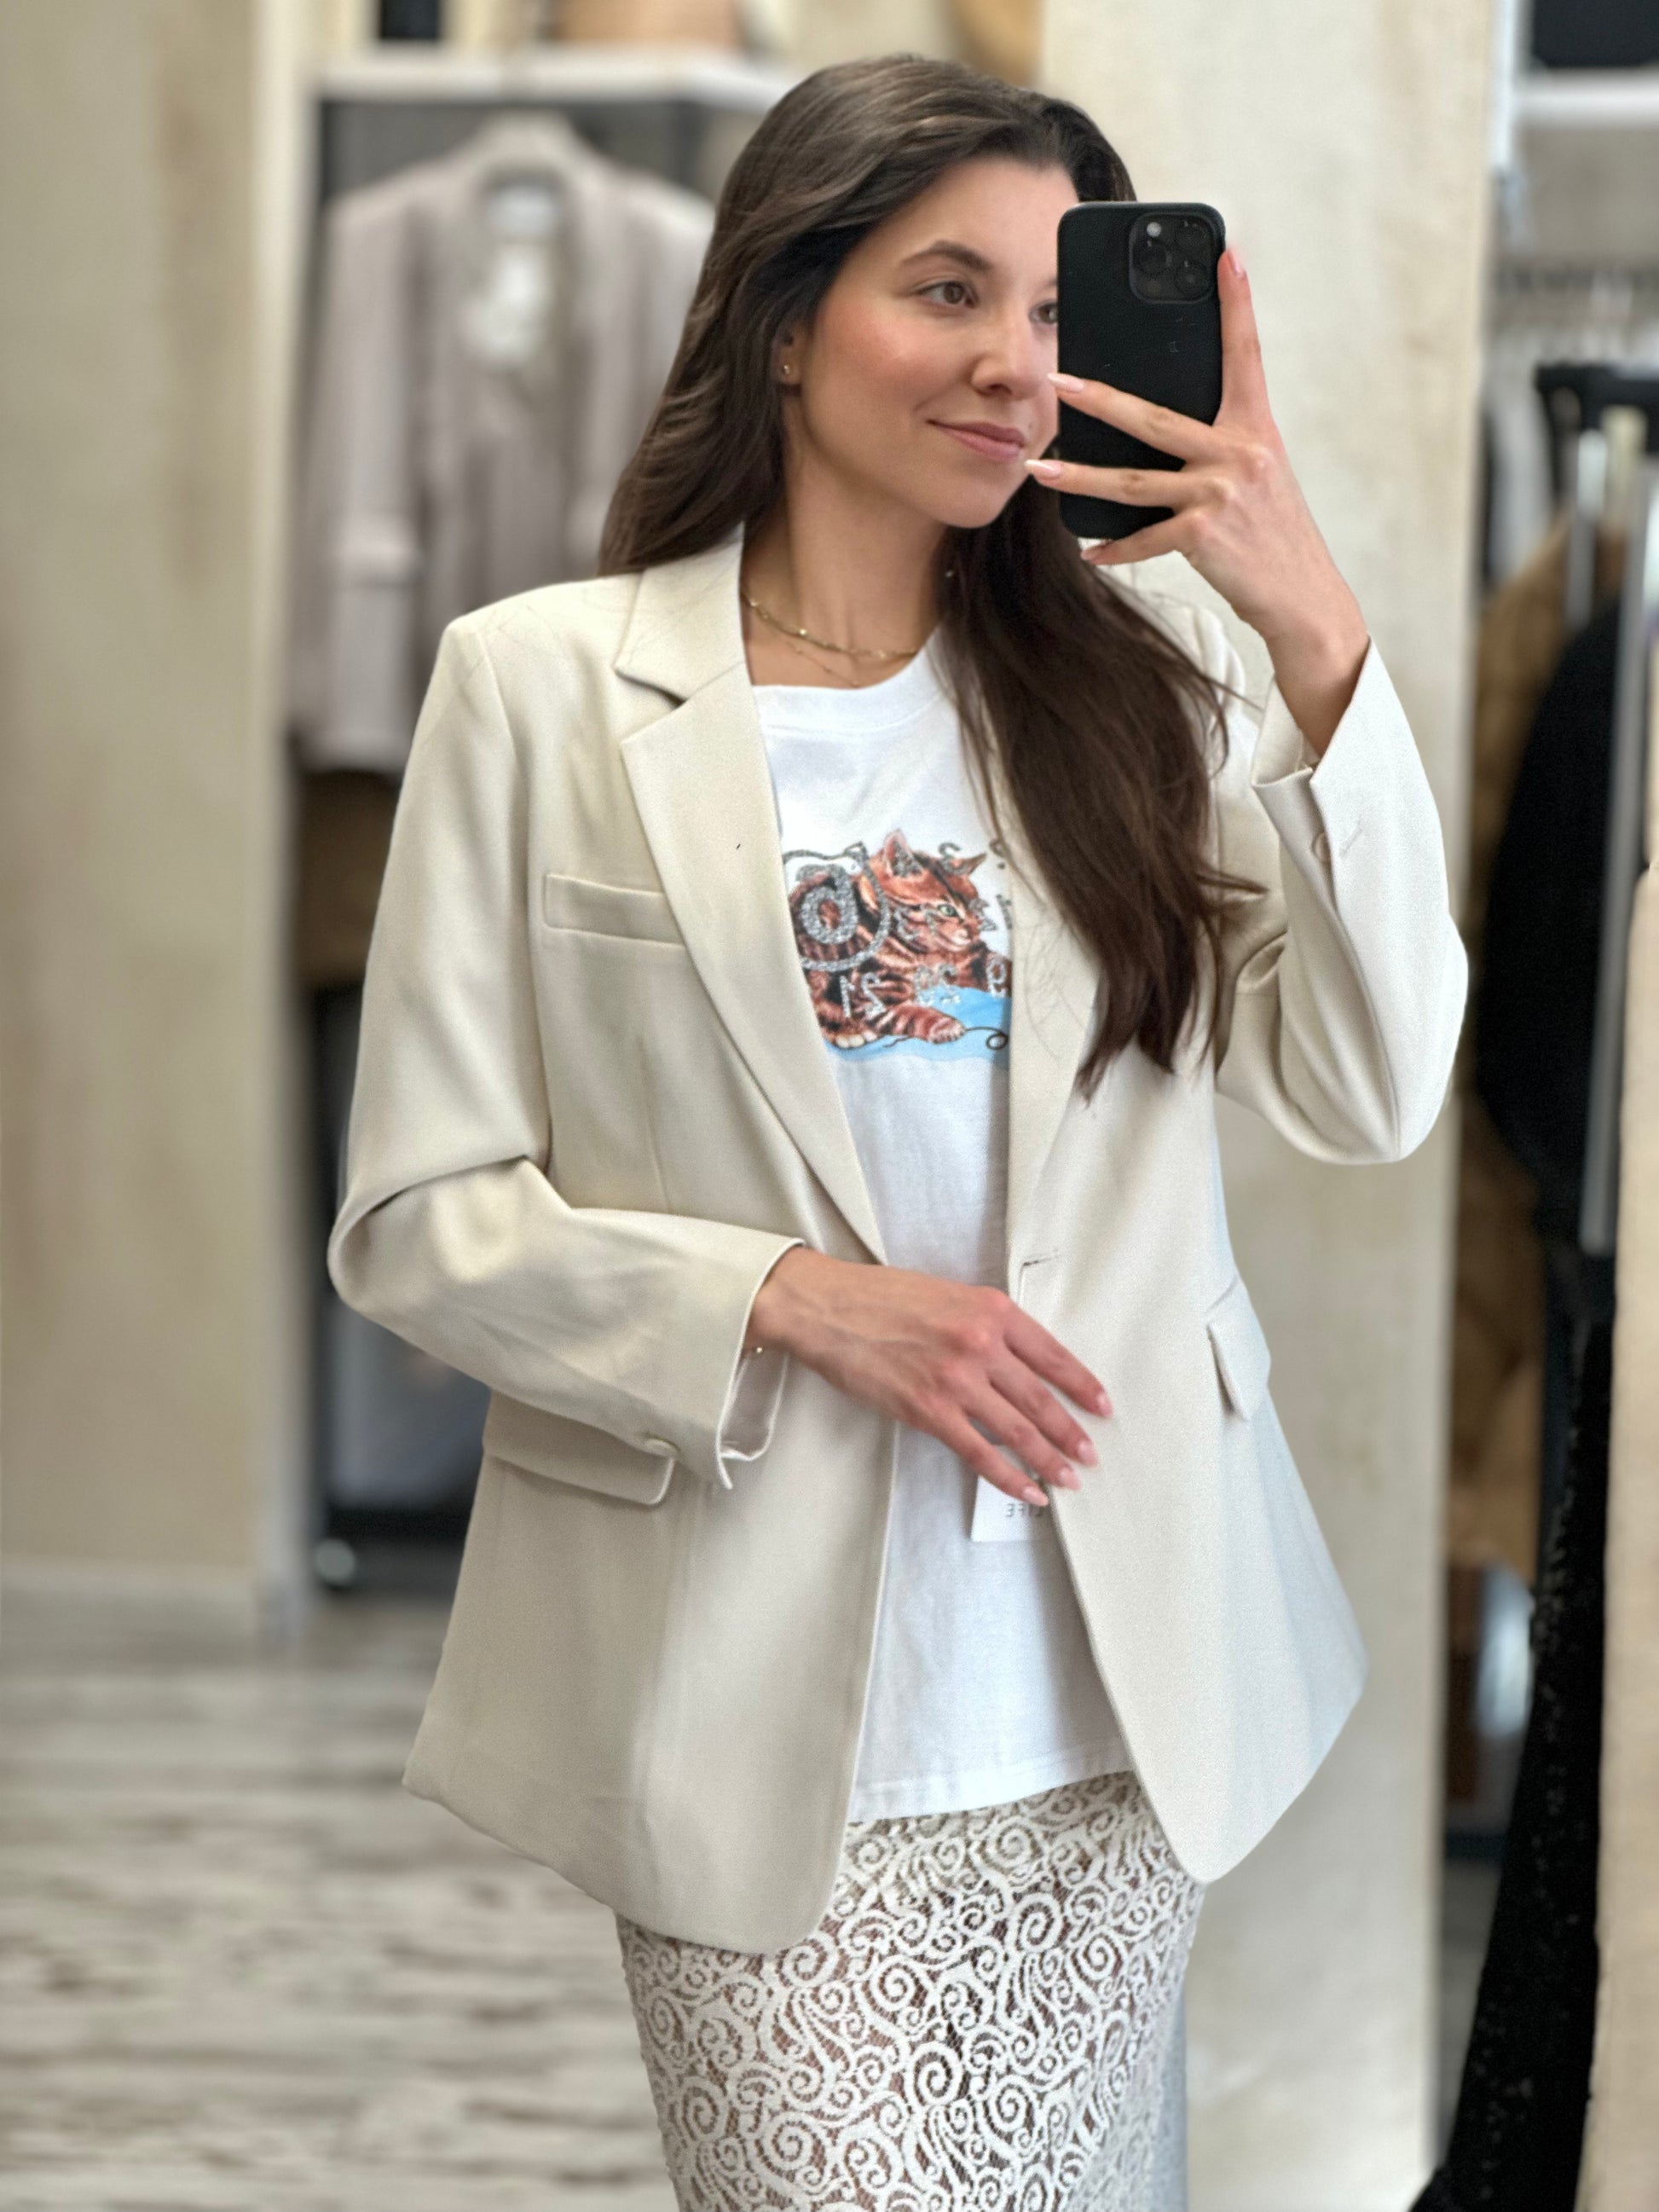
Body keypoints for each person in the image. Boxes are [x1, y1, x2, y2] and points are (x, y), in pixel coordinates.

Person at [328, 54, 1467, 2212]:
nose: (1013, 365)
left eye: (1051, 309)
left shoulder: (1149, 694)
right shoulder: (540, 688)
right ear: (784, 315)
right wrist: (791, 1299)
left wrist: (1311, 627)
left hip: (1115, 1699)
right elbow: (417, 1216)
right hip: (749, 1702)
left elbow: (1374, 1078)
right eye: (947, 291)